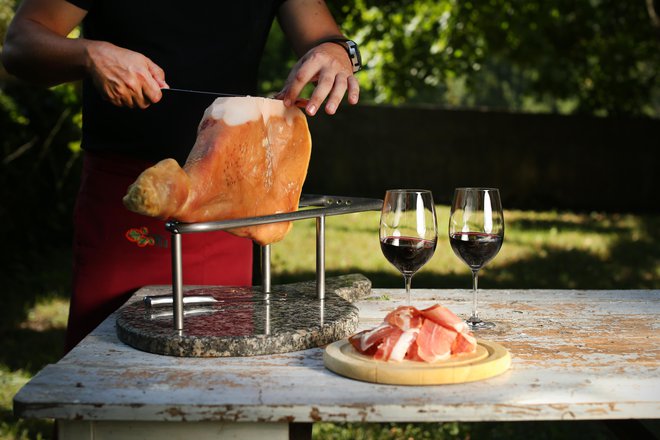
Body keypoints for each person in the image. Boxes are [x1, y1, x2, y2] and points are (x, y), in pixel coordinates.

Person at [2, 0, 361, 352]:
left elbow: (328, 40)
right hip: (125, 198)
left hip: (230, 205)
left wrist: (339, 52)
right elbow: (20, 44)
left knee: (220, 370)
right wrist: (89, 54)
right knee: (104, 364)